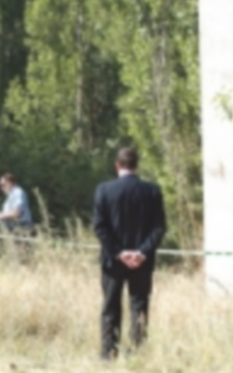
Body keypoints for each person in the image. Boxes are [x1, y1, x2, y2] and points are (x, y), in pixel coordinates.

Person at [93, 147, 166, 360]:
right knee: (139, 305)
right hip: (142, 263)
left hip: (112, 262)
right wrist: (142, 252)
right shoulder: (152, 191)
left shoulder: (104, 190)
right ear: (137, 166)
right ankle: (137, 354)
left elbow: (99, 227)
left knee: (110, 306)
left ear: (117, 166)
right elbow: (159, 228)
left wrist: (118, 253)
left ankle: (109, 353)